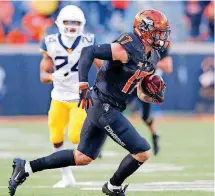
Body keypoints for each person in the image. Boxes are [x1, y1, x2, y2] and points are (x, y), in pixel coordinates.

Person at [9, 9, 170, 196]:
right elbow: (89, 51)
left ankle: (26, 167)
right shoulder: (128, 46)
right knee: (142, 151)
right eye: (158, 32)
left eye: (163, 32)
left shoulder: (154, 56)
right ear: (144, 30)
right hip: (104, 105)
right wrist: (83, 84)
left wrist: (151, 92)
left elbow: (140, 91)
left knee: (82, 157)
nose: (162, 37)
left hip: (108, 106)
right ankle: (113, 187)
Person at [39, 5, 102, 188]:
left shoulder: (88, 41)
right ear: (59, 23)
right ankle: (67, 177)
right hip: (58, 97)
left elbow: (102, 67)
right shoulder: (50, 41)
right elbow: (43, 75)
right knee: (56, 137)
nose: (72, 26)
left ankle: (98, 130)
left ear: (82, 24)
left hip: (79, 98)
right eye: (68, 22)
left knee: (76, 137)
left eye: (75, 22)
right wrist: (52, 76)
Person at [128, 49, 173, 156]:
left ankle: (154, 134)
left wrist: (149, 63)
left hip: (148, 86)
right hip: (132, 81)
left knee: (145, 117)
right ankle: (99, 142)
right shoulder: (136, 44)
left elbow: (168, 67)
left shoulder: (160, 47)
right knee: (113, 108)